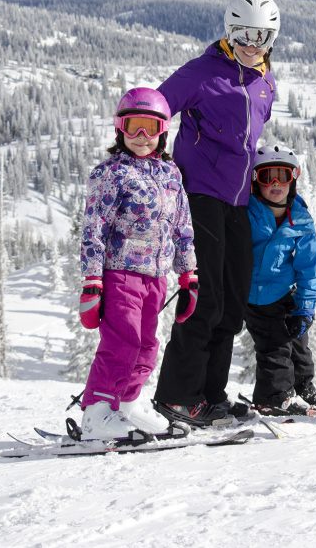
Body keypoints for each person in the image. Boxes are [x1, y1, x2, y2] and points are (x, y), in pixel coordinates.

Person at [152, 0, 281, 427]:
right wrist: (149, 161)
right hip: (200, 197)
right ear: (229, 31)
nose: (251, 42)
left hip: (238, 202)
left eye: (260, 35)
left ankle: (210, 396)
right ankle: (176, 396)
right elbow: (154, 108)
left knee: (232, 304)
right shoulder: (202, 72)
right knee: (203, 299)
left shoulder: (264, 80)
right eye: (243, 33)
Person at [77, 87, 198, 439]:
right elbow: (93, 229)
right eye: (134, 127)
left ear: (163, 132)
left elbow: (183, 227)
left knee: (147, 345)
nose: (142, 137)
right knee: (122, 342)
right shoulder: (110, 173)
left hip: (156, 277)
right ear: (120, 129)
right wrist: (92, 281)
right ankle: (97, 414)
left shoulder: (170, 175)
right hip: (120, 273)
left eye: (150, 128)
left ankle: (128, 404)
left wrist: (188, 274)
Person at [244, 144, 316, 416]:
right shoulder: (248, 211)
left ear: (294, 178)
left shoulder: (300, 218)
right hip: (251, 293)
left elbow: (309, 265)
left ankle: (302, 385)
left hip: (283, 291)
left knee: (298, 341)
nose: (275, 183)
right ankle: (272, 397)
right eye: (267, 176)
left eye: (283, 175)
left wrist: (305, 307)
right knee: (275, 345)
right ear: (256, 181)